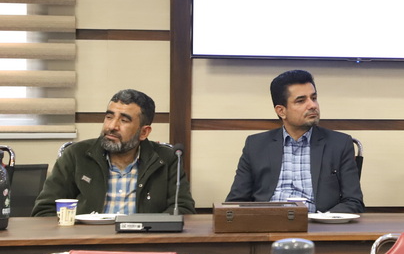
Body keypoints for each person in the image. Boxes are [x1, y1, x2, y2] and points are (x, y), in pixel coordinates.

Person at [32, 89, 195, 217]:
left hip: (143, 242)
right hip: (86, 242)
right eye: (109, 117)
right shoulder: (76, 155)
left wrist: (147, 230)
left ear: (144, 132)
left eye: (124, 120)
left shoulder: (166, 159)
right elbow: (44, 210)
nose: (112, 126)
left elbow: (183, 209)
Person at [225, 69, 364, 213]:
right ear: (281, 111)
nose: (312, 105)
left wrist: (324, 219)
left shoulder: (339, 144)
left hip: (317, 223)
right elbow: (236, 202)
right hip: (267, 222)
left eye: (314, 98)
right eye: (301, 101)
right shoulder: (255, 145)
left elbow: (353, 202)